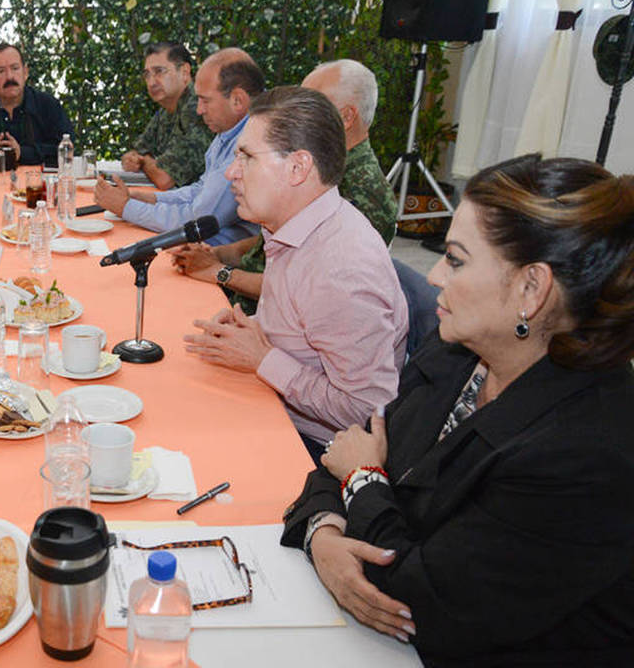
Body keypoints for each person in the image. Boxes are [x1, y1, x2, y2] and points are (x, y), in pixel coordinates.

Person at [281, 154, 634, 665]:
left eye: (456, 259)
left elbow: (425, 606)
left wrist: (362, 479)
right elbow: (345, 451)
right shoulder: (458, 353)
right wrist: (325, 535)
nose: (434, 277)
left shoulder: (585, 452)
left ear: (531, 289)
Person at [182, 86, 407, 459]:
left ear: (298, 167)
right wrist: (253, 329)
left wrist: (262, 359)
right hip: (274, 409)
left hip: (313, 448)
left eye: (247, 157)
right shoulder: (292, 226)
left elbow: (368, 413)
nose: (231, 172)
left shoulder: (342, 269)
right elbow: (306, 327)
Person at [171, 59, 398, 312]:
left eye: (310, 104)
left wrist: (219, 272)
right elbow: (266, 243)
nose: (294, 113)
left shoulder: (365, 191)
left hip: (268, 318)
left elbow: (311, 291)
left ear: (346, 117)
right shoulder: (316, 165)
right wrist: (217, 255)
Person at [94, 47, 261, 244]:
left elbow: (197, 220)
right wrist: (153, 199)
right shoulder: (229, 129)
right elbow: (201, 189)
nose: (199, 110)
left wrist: (127, 208)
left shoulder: (255, 137)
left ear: (237, 100)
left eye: (205, 101)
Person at [121, 42, 212, 189]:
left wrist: (143, 161)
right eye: (147, 75)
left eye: (159, 71)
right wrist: (133, 158)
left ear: (184, 72)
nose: (151, 82)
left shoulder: (198, 108)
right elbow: (137, 150)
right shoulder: (166, 109)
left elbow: (164, 178)